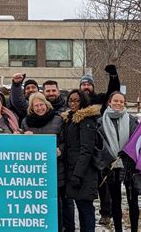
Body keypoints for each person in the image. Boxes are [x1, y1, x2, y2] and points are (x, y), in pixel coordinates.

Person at [20, 93, 70, 232]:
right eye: (36, 105)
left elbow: (66, 142)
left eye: (41, 104)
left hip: (55, 169)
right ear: (31, 108)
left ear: (46, 104)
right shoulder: (26, 122)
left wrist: (60, 150)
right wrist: (24, 137)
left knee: (58, 205)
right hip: (35, 172)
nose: (39, 108)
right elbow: (21, 147)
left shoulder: (58, 120)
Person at [80, 64, 120, 226]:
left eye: (88, 84)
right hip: (82, 146)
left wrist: (113, 76)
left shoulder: (99, 100)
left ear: (92, 87)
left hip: (99, 145)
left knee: (103, 182)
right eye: (83, 84)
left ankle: (106, 212)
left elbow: (113, 92)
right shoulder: (76, 100)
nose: (86, 87)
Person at [97, 91, 140, 232]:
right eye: (115, 100)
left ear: (124, 103)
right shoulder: (100, 122)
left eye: (121, 101)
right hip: (111, 166)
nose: (118, 103)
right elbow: (98, 144)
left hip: (130, 166)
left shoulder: (133, 120)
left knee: (133, 201)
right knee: (115, 202)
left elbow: (138, 142)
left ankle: (134, 229)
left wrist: (128, 151)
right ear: (109, 102)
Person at [61, 89, 100, 232]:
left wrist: (78, 174)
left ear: (83, 101)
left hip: (84, 173)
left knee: (86, 208)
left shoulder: (86, 120)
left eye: (76, 100)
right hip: (73, 171)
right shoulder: (70, 119)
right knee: (80, 206)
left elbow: (86, 150)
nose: (73, 103)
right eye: (70, 100)